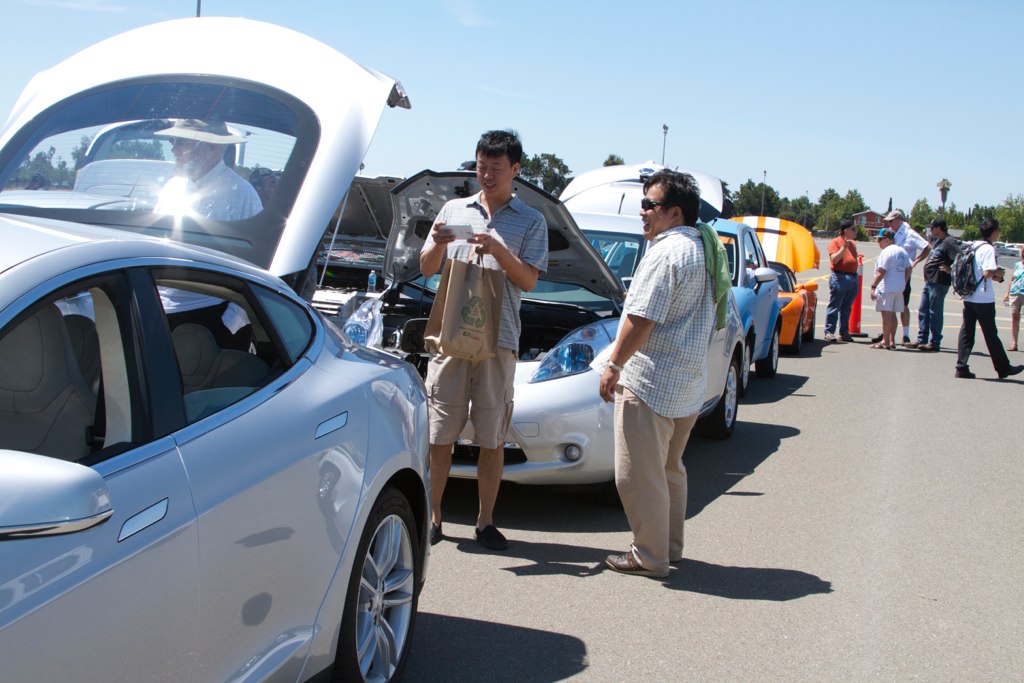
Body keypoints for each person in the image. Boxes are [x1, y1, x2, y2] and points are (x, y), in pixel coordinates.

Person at [419, 130, 548, 550]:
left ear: (515, 170)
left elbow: (528, 279)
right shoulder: (454, 209)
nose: (487, 175)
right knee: (439, 434)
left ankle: (484, 522)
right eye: (481, 167)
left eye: (496, 168)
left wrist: (497, 249)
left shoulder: (531, 221)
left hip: (500, 339)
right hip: (452, 339)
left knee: (492, 437)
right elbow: (425, 268)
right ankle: (434, 518)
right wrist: (437, 246)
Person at [597, 170, 714, 579]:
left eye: (650, 205)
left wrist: (613, 365)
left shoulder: (664, 253)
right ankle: (669, 546)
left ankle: (649, 555)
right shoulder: (702, 248)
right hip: (687, 382)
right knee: (669, 469)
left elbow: (641, 319)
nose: (642, 213)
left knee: (637, 476)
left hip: (651, 382)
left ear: (674, 213)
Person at [154, 118, 263, 220]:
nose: (174, 149)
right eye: (173, 141)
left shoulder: (243, 193)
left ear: (212, 149)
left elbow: (258, 237)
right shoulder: (172, 187)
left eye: (182, 142)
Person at [955, 218, 1023, 379]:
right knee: (991, 334)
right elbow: (987, 272)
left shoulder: (974, 246)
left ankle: (961, 366)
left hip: (970, 295)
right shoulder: (988, 249)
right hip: (983, 298)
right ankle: (1003, 367)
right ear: (994, 232)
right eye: (998, 230)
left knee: (967, 332)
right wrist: (998, 273)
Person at [874, 210, 931, 345]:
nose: (889, 224)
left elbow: (927, 247)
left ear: (899, 220)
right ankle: (888, 336)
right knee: (890, 307)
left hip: (903, 274)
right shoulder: (892, 232)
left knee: (903, 305)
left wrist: (915, 261)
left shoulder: (910, 234)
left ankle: (905, 335)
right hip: (891, 274)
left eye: (891, 221)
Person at [908, 217, 956, 351]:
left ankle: (934, 342)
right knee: (923, 310)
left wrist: (951, 269)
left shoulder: (950, 242)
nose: (930, 230)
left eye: (932, 228)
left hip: (939, 282)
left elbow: (962, 258)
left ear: (939, 229)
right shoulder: (939, 241)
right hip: (930, 281)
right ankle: (921, 339)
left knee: (935, 312)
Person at [869, 229, 910, 349]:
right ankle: (892, 340)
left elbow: (881, 271)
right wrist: (904, 281)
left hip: (887, 286)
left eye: (880, 239)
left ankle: (885, 341)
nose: (878, 242)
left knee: (886, 315)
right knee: (892, 314)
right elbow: (909, 269)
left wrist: (873, 286)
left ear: (887, 240)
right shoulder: (902, 251)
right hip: (899, 287)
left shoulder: (886, 252)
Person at [823, 219, 859, 342]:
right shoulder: (835, 242)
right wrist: (843, 248)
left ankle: (844, 332)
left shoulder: (853, 244)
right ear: (845, 231)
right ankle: (829, 332)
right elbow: (834, 259)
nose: (855, 232)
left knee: (847, 307)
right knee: (835, 305)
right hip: (839, 277)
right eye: (853, 229)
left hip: (852, 277)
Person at [1004, 247, 1024, 352]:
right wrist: (1007, 293)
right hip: (1015, 293)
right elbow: (1011, 280)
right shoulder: (1017, 265)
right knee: (1015, 319)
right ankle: (1014, 343)